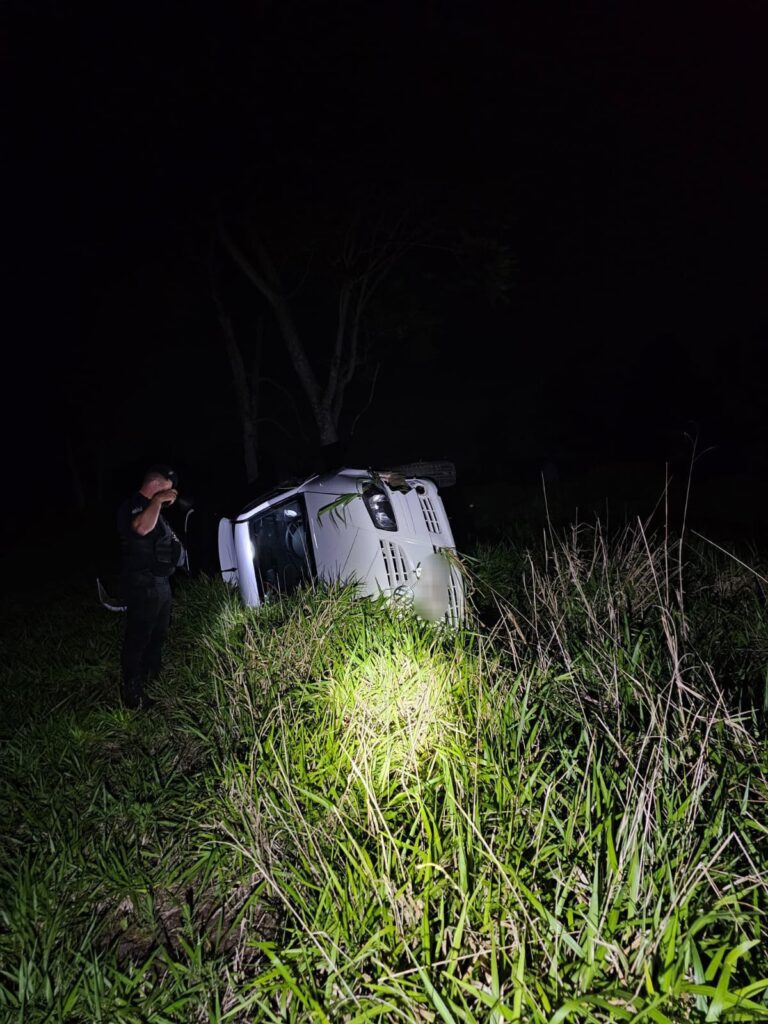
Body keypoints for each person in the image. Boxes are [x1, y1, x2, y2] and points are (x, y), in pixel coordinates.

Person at [117, 465, 185, 710]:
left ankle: (152, 679)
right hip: (142, 584)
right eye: (169, 490)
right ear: (157, 484)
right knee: (138, 636)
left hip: (160, 583)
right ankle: (131, 692)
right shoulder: (134, 505)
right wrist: (157, 500)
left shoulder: (157, 510)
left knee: (159, 633)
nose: (172, 495)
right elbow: (140, 528)